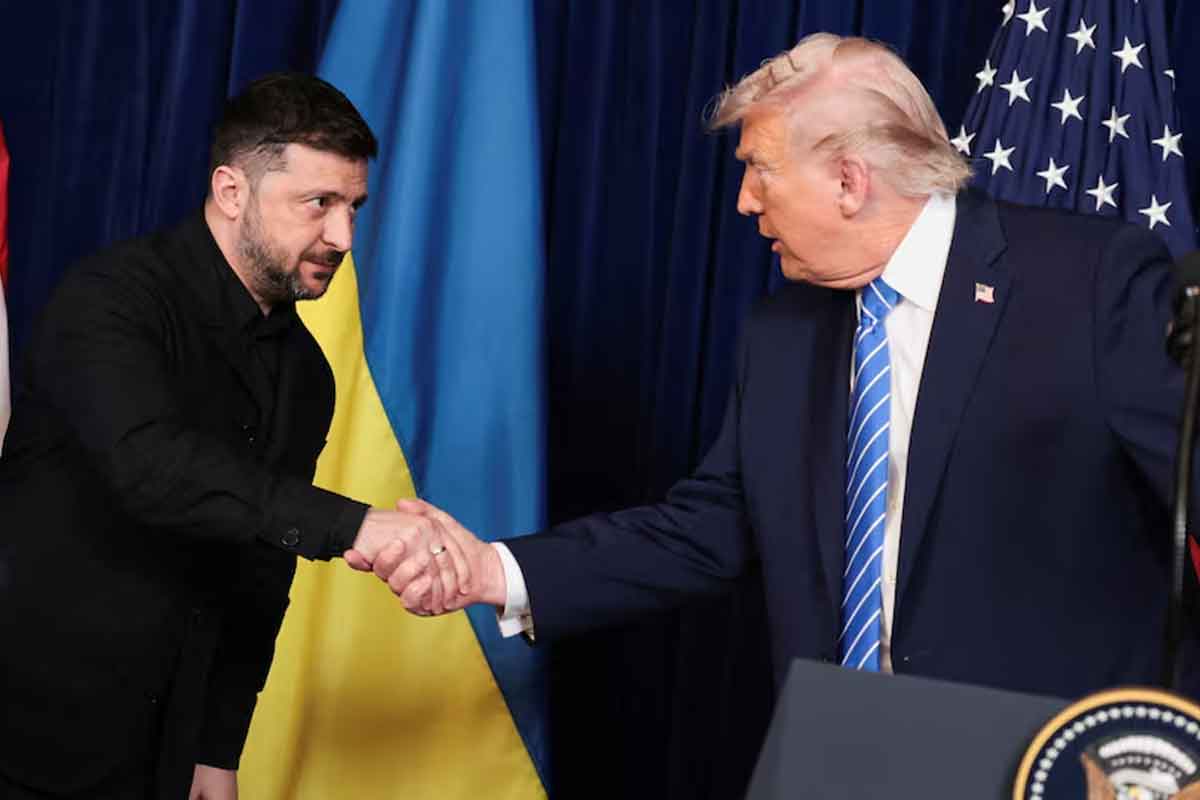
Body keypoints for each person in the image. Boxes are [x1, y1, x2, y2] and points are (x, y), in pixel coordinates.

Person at [360, 33, 1200, 703]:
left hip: (1051, 759)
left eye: (759, 170)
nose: (744, 202)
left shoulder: (1087, 283)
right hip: (842, 753)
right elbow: (709, 529)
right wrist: (493, 571)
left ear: (849, 180)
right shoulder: (783, 332)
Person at [0, 73, 466, 799]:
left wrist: (217, 747)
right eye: (319, 203)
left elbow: (260, 575)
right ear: (230, 191)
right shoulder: (110, 298)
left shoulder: (307, 375)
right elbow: (151, 468)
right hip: (27, 730)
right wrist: (354, 526)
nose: (343, 238)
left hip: (162, 749)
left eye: (354, 208)